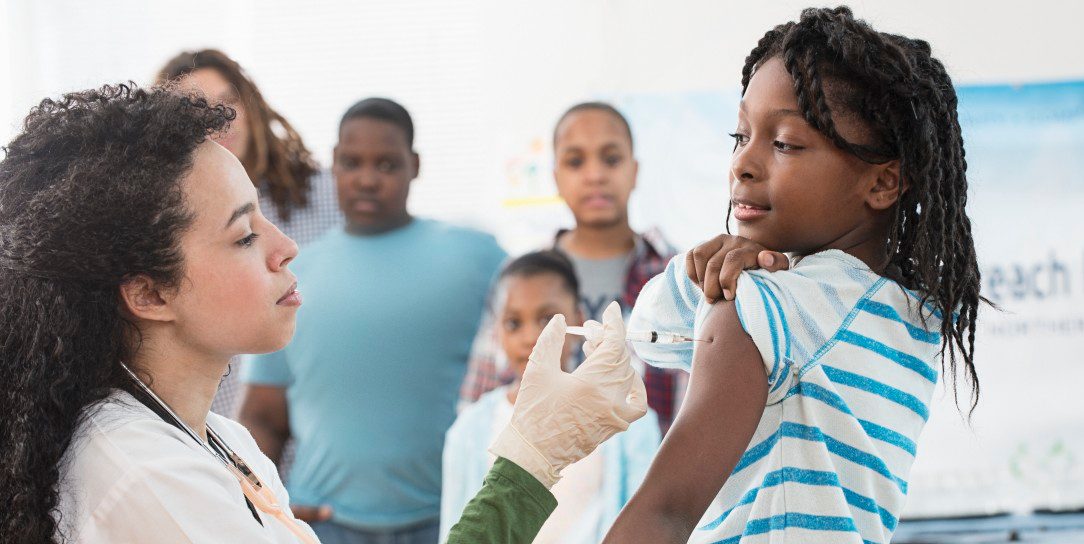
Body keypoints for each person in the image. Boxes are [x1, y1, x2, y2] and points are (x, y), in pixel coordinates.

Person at [0, 83, 647, 544]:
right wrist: (534, 459)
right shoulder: (143, 476)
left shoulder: (224, 445)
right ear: (149, 293)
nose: (286, 248)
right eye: (244, 234)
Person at [604, 7, 984, 543]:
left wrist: (720, 289)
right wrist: (705, 278)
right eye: (740, 136)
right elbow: (655, 334)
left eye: (784, 143)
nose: (743, 164)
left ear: (883, 183)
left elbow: (666, 510)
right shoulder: (906, 314)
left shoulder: (766, 309)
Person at [238, 98, 506, 543]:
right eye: (352, 163)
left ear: (414, 165)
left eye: (386, 164)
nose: (366, 179)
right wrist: (264, 507)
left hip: (446, 522)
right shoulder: (292, 275)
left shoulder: (478, 259)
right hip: (324, 525)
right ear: (334, 165)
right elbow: (263, 416)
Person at [460, 102, 686, 433]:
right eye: (575, 161)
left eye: (611, 159)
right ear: (555, 177)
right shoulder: (520, 278)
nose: (595, 175)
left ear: (634, 171)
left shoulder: (674, 279)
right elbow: (478, 407)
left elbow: (693, 409)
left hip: (651, 479)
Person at [159, 49, 342, 418]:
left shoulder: (326, 194)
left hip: (313, 426)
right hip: (219, 429)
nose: (221, 119)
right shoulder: (168, 220)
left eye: (229, 102)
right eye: (200, 109)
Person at [440, 251, 660, 543]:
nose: (531, 336)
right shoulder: (469, 430)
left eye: (547, 319)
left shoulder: (624, 421)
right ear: (497, 332)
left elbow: (648, 523)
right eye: (513, 323)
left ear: (580, 319)